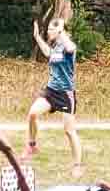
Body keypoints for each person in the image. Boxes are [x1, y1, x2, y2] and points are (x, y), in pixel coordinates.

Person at [26, 16, 82, 176]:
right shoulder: (56, 46)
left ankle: (77, 165)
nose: (48, 32)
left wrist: (61, 31)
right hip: (51, 90)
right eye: (49, 29)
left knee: (69, 131)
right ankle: (32, 145)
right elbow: (48, 53)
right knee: (32, 114)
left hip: (65, 93)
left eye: (51, 29)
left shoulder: (66, 45)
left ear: (59, 31)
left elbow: (71, 48)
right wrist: (37, 37)